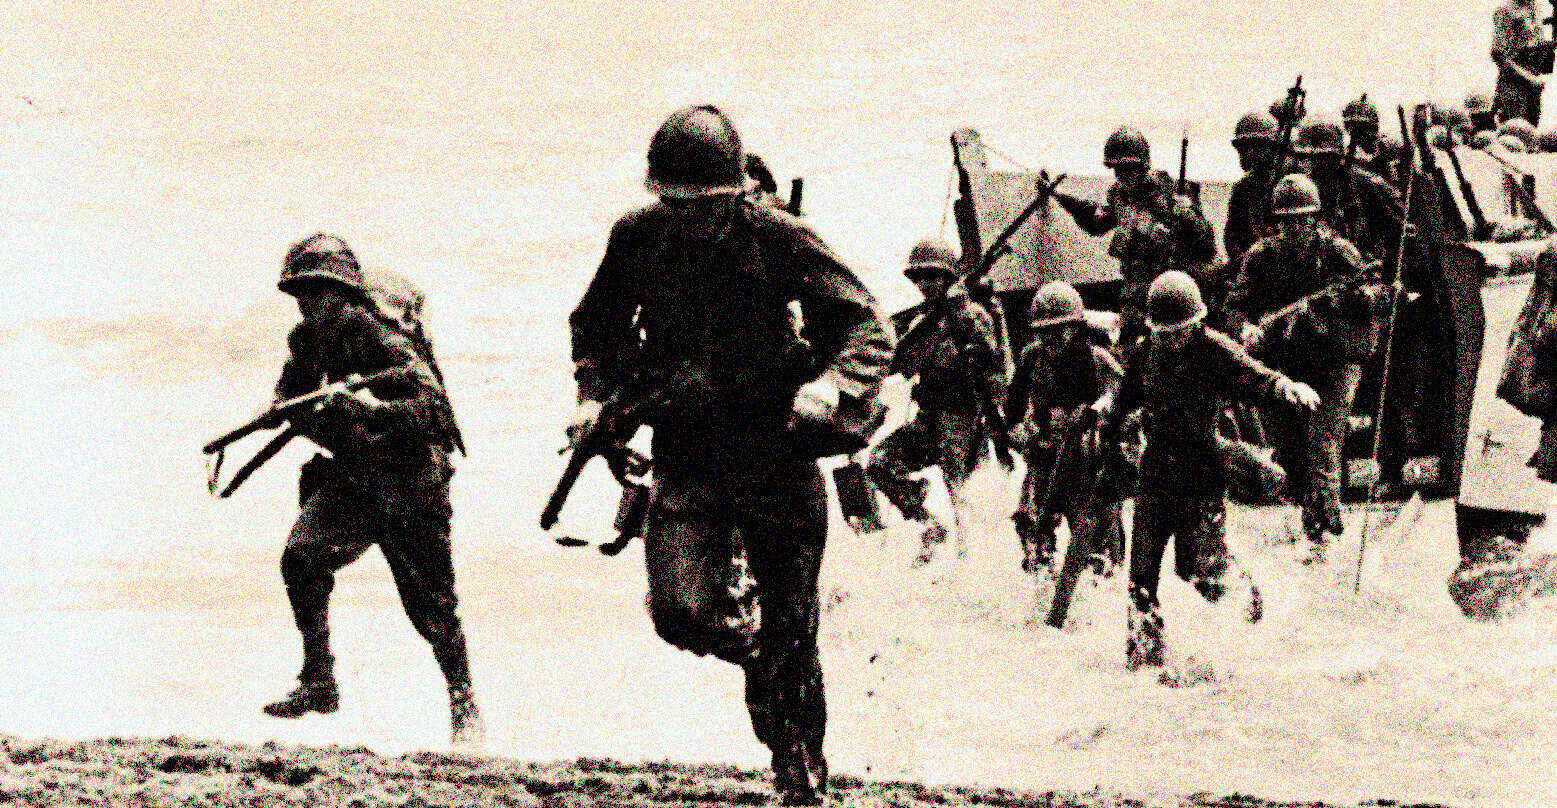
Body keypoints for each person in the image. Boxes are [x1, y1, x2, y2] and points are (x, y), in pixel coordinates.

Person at [567, 105, 891, 805]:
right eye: (673, 203)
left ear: (733, 192)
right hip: (686, 450)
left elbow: (866, 324)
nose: (688, 218)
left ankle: (800, 769)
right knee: (679, 612)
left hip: (775, 452)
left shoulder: (779, 238)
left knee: (793, 624)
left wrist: (831, 385)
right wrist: (593, 395)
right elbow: (593, 325)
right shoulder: (637, 237)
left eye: (703, 205)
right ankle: (760, 655)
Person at [260, 234, 481, 744]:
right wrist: (285, 407)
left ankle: (464, 703)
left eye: (317, 294)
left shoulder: (383, 339)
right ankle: (318, 680)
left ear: (344, 294)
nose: (308, 305)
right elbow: (292, 391)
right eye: (300, 296)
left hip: (411, 485)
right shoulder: (307, 340)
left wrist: (365, 408)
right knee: (301, 558)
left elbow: (434, 413)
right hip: (353, 481)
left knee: (432, 607)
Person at [1104, 271, 1318, 670]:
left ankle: (1244, 595)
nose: (1170, 340)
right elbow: (1122, 401)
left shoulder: (1213, 349)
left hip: (1202, 469)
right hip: (1156, 469)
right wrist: (1109, 428)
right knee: (1141, 574)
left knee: (1199, 572)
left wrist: (1286, 386)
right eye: (1164, 333)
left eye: (1178, 332)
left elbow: (1253, 374)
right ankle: (1145, 657)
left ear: (1195, 323)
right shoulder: (1147, 352)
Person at [1228, 175, 1383, 546]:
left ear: (1315, 219)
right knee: (1287, 450)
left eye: (1303, 219)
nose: (1295, 228)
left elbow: (1367, 293)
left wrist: (1322, 306)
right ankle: (1310, 513)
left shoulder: (1338, 253)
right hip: (1283, 363)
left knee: (1323, 444)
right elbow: (1235, 303)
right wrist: (1247, 329)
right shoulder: (1261, 257)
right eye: (1287, 221)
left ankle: (1326, 526)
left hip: (1334, 361)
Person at [869, 238, 1005, 565]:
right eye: (920, 278)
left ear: (947, 277)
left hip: (963, 419)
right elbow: (903, 362)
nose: (925, 284)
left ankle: (970, 566)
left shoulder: (970, 315)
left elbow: (996, 370)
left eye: (933, 276)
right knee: (880, 463)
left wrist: (966, 356)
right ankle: (929, 524)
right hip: (930, 419)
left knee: (962, 496)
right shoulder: (925, 321)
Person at [1054, 125, 1215, 345]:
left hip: (1170, 285)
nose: (1122, 176)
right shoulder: (1119, 196)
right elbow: (1097, 221)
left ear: (1142, 166)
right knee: (1128, 346)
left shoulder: (1172, 192)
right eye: (1117, 169)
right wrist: (1059, 196)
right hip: (1135, 289)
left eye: (1128, 168)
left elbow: (1206, 244)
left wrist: (1184, 216)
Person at [1004, 281, 1124, 574]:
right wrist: (1018, 430)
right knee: (1030, 523)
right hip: (1046, 455)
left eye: (1058, 330)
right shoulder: (1031, 358)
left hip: (1089, 460)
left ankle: (1103, 574)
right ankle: (1042, 571)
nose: (1050, 338)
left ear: (1076, 327)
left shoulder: (1097, 359)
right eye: (1044, 332)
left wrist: (1097, 412)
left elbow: (1124, 397)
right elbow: (1013, 408)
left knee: (1097, 538)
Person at [1293, 118, 1404, 263]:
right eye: (1308, 157)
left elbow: (1398, 228)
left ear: (1336, 156)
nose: (1314, 164)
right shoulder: (1301, 187)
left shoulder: (1365, 183)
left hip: (1363, 267)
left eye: (1322, 157)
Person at [1224, 111, 1282, 263]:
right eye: (1243, 148)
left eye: (1256, 147)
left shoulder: (1287, 185)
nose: (1249, 154)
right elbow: (1232, 237)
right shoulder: (1242, 189)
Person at [1492, 0, 1550, 125]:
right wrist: (1529, 78)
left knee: (1530, 133)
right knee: (1513, 133)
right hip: (1513, 86)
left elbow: (1538, 42)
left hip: (1534, 87)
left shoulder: (1535, 7)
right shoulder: (1506, 11)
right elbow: (1498, 55)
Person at [1343, 95, 1397, 187]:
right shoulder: (1349, 152)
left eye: (1361, 127)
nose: (1355, 132)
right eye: (1351, 126)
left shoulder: (1386, 146)